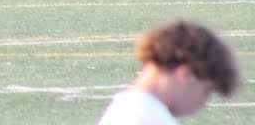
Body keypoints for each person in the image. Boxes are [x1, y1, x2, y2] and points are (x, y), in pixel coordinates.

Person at [98, 20, 241, 124]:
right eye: (207, 91)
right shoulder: (148, 117)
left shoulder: (129, 106)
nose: (204, 103)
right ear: (186, 74)